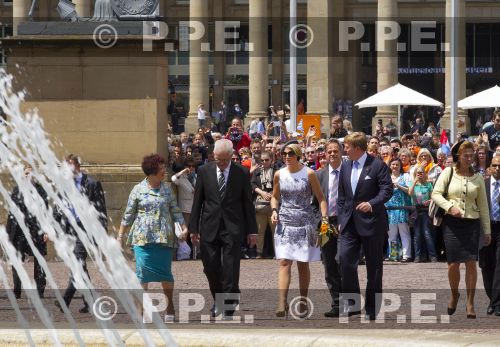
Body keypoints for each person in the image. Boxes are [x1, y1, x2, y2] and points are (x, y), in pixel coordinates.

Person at [189, 139, 257, 319]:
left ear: (231, 156)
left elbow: (247, 203)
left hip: (233, 227)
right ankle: (219, 298)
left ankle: (227, 303)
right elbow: (198, 201)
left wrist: (252, 231)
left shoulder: (241, 172)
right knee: (210, 266)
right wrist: (193, 228)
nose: (221, 163)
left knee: (230, 267)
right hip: (209, 225)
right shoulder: (204, 171)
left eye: (225, 160)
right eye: (218, 159)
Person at [118, 154, 188, 320]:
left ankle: (169, 306)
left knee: (165, 274)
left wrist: (184, 228)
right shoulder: (138, 189)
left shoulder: (167, 189)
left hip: (164, 238)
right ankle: (140, 310)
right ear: (151, 171)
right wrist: (120, 235)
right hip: (142, 238)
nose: (164, 170)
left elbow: (175, 210)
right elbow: (128, 214)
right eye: (161, 168)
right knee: (142, 274)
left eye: (164, 167)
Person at [431, 141, 491, 319]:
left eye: (471, 155)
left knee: (471, 263)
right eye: (466, 155)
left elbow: (484, 206)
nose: (469, 158)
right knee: (453, 264)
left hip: (472, 224)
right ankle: (454, 293)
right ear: (458, 155)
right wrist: (450, 207)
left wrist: (487, 231)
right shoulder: (448, 172)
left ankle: (470, 302)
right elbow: (436, 193)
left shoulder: (478, 177)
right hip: (452, 224)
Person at [337, 132, 392, 320]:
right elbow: (342, 196)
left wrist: (372, 203)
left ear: (357, 148)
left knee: (374, 267)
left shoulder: (377, 165)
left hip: (372, 223)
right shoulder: (345, 165)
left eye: (347, 146)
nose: (344, 150)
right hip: (349, 223)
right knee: (344, 261)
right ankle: (352, 304)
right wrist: (341, 219)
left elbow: (387, 190)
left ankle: (372, 307)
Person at [270, 142, 327, 318]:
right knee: (284, 262)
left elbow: (321, 198)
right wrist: (274, 210)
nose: (286, 156)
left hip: (305, 221)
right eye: (284, 153)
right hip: (285, 221)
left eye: (290, 153)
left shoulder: (309, 174)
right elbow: (274, 196)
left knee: (303, 263)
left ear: (298, 155)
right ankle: (282, 301)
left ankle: (303, 299)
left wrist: (324, 221)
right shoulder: (279, 174)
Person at [55, 154, 108, 314]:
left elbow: (101, 210)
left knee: (78, 263)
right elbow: (58, 208)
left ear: (78, 166)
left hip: (85, 230)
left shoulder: (92, 183)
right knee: (79, 267)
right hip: (69, 230)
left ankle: (66, 299)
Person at [6, 166, 48, 299]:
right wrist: (8, 233)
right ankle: (17, 290)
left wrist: (47, 231)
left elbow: (46, 213)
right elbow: (11, 212)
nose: (27, 176)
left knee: (39, 260)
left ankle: (39, 290)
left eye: (29, 174)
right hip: (19, 231)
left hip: (36, 231)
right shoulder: (17, 189)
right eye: (25, 174)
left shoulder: (41, 191)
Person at [313, 139, 343, 317]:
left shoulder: (348, 172)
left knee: (344, 261)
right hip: (325, 224)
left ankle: (349, 301)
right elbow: (313, 204)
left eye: (335, 151)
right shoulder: (319, 175)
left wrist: (344, 220)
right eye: (329, 151)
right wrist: (320, 222)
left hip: (344, 223)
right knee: (329, 264)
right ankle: (337, 303)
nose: (332, 154)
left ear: (341, 152)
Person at [479, 156, 500, 317]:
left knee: (499, 266)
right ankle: (492, 298)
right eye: (495, 165)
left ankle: (496, 303)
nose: (497, 168)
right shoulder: (482, 185)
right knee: (487, 265)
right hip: (486, 228)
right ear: (490, 167)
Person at [251, 151, 277, 258]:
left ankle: (277, 253)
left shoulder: (276, 171)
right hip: (260, 204)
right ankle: (259, 252)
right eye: (262, 160)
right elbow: (252, 184)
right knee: (260, 230)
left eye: (267, 160)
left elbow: (280, 184)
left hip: (273, 205)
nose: (264, 162)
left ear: (271, 160)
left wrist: (273, 193)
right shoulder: (257, 171)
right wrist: (262, 192)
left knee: (275, 231)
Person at [409, 165, 437, 263]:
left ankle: (432, 256)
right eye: (418, 173)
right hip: (416, 210)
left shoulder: (428, 184)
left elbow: (434, 196)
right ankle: (417, 256)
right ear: (415, 174)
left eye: (421, 172)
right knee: (417, 235)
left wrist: (430, 200)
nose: (420, 174)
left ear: (424, 174)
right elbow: (410, 193)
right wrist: (415, 181)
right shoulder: (412, 183)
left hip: (425, 210)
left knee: (427, 233)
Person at [385, 158, 411, 262]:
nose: (395, 166)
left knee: (404, 233)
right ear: (390, 166)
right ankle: (394, 255)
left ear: (400, 166)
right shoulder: (387, 177)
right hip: (389, 209)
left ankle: (406, 255)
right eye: (393, 164)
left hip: (401, 208)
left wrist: (398, 185)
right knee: (392, 234)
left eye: (397, 164)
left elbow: (409, 190)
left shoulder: (405, 176)